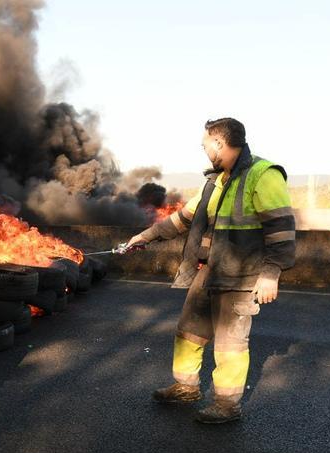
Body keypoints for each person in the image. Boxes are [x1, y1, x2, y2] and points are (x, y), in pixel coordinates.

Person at [125, 118, 296, 423]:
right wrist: (144, 237)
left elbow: (281, 230)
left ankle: (227, 404)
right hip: (210, 270)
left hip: (242, 275)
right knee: (189, 329)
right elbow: (182, 219)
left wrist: (271, 274)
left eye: (204, 143)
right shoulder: (217, 181)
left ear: (218, 143)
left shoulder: (264, 175)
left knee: (231, 343)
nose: (203, 149)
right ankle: (186, 386)